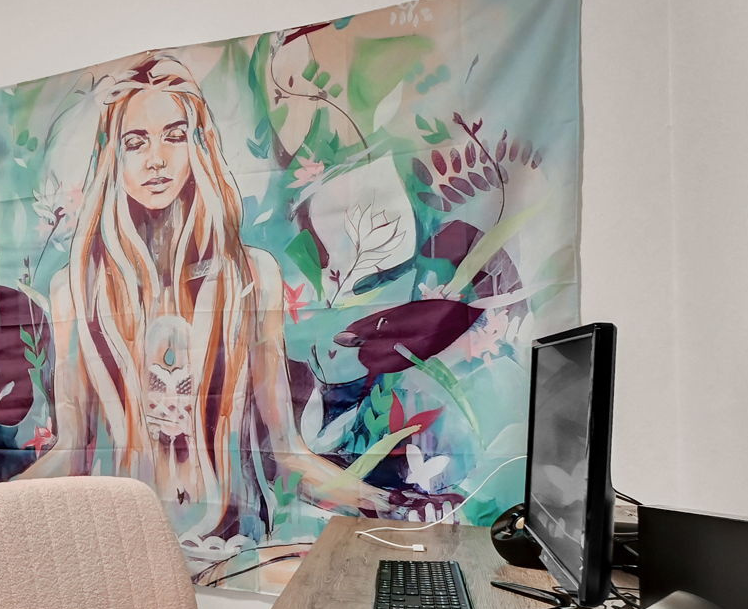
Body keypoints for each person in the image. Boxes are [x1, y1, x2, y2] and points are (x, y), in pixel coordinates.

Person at [26, 53, 448, 568]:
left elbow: (286, 452)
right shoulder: (75, 289)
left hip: (233, 548)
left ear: (199, 144)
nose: (156, 159)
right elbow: (71, 450)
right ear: (113, 156)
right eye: (135, 142)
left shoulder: (252, 277)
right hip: (115, 554)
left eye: (174, 136)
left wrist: (393, 506)